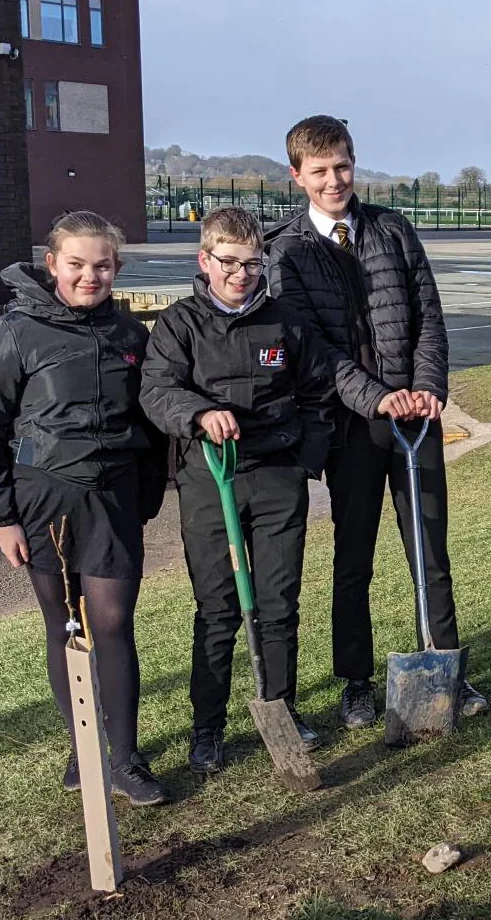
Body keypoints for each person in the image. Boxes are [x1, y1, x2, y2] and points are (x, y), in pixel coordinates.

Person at [264, 114, 489, 739]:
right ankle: (356, 683)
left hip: (415, 419)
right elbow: (313, 348)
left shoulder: (391, 229)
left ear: (353, 163)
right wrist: (374, 398)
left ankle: (445, 665)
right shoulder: (289, 250)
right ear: (297, 177)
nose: (334, 180)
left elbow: (428, 318)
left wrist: (425, 389)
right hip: (352, 427)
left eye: (342, 166)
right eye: (320, 171)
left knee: (429, 549)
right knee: (353, 553)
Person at [0, 211, 169, 805]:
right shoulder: (16, 331)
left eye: (102, 265)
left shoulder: (132, 337)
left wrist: (146, 498)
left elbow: (153, 429)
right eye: (76, 264)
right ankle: (84, 750)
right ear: (52, 264)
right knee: (66, 627)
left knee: (111, 624)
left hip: (113, 500)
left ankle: (125, 760)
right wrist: (1, 516)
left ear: (116, 269)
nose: (89, 276)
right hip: (42, 498)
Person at [139, 207, 340, 773]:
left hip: (276, 478)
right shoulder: (180, 324)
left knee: (278, 603)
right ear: (205, 259)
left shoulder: (288, 323)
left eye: (253, 264)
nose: (241, 274)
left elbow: (319, 394)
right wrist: (200, 414)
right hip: (210, 477)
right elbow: (157, 392)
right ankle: (209, 729)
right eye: (229, 262)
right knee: (219, 607)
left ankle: (280, 706)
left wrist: (305, 459)